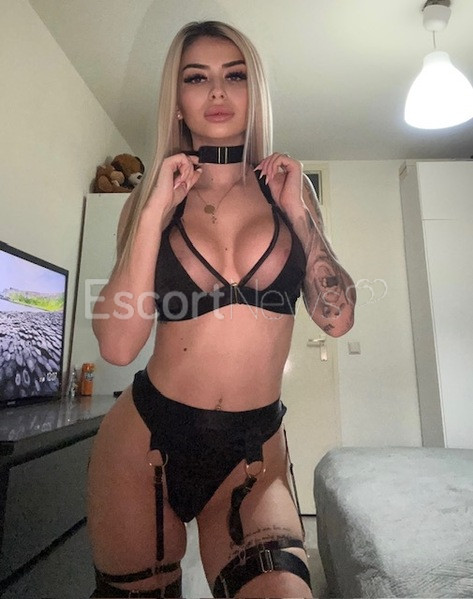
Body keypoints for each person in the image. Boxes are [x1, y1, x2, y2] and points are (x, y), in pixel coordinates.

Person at [87, 20, 356, 599]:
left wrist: (300, 214)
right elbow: (117, 345)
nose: (216, 91)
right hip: (146, 444)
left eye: (234, 76)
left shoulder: (290, 192)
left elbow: (336, 318)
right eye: (196, 78)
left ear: (253, 92)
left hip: (254, 455)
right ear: (177, 100)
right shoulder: (149, 200)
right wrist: (153, 212)